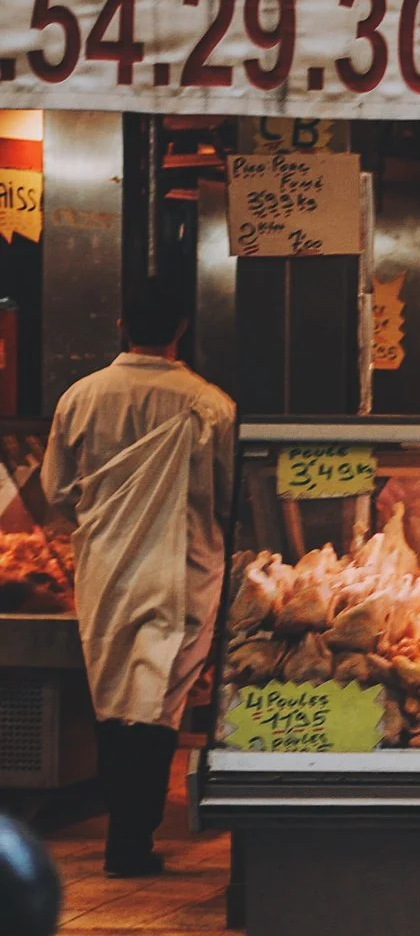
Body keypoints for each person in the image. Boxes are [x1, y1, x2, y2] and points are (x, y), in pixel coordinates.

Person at [41, 280, 235, 877]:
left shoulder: (80, 397)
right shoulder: (210, 404)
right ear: (181, 328)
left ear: (121, 324)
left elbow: (57, 491)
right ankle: (131, 838)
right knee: (159, 702)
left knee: (113, 695)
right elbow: (227, 495)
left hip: (105, 567)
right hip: (182, 569)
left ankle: (124, 835)